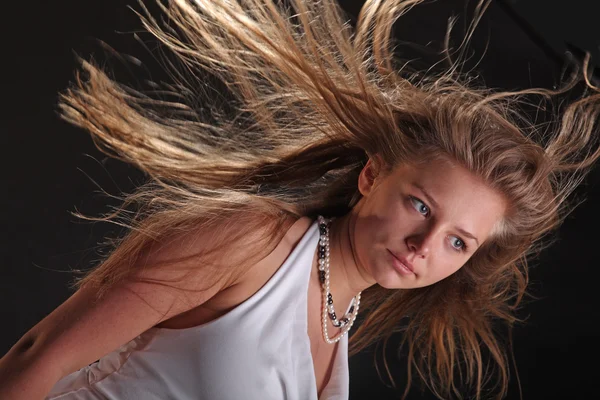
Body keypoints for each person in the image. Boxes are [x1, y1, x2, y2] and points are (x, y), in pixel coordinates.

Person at [1, 0, 599, 399]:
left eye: (457, 241)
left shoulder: (339, 333)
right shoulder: (252, 240)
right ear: (372, 176)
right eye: (421, 205)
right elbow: (37, 355)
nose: (424, 247)